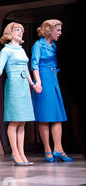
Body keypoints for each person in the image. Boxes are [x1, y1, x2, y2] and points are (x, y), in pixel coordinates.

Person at [0, 22, 41, 166]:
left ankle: (22, 153)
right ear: (10, 32)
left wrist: (33, 84)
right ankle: (15, 152)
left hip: (24, 86)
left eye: (22, 30)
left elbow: (26, 68)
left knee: (22, 121)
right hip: (14, 84)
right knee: (14, 120)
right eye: (17, 30)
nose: (20, 32)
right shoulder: (6, 50)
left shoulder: (22, 50)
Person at [31, 19, 72, 162]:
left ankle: (58, 149)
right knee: (44, 116)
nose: (60, 33)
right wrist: (38, 81)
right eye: (58, 30)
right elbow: (34, 64)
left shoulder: (54, 45)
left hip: (53, 80)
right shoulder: (38, 45)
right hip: (44, 79)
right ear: (50, 30)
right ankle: (47, 150)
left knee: (57, 115)